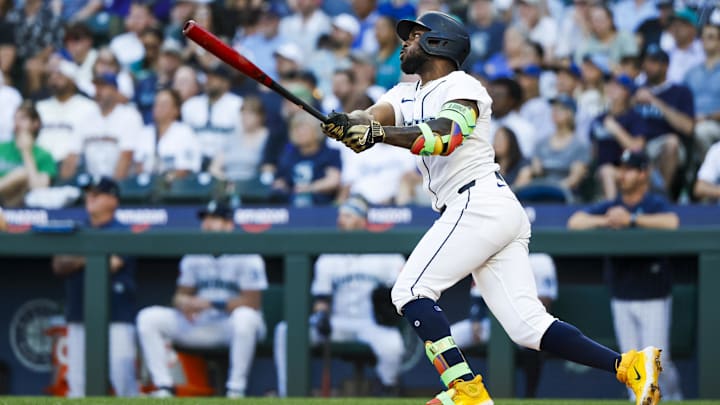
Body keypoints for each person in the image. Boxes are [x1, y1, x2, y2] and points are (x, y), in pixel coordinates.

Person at [320, 11, 662, 405]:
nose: (404, 43)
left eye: (413, 37)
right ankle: (630, 366)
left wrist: (376, 134)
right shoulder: (402, 93)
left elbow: (446, 137)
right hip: (486, 209)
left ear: (439, 42)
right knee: (528, 328)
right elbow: (371, 118)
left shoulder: (465, 87)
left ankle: (465, 390)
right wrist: (349, 124)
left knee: (411, 290)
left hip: (478, 201)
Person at [567, 149, 683, 400]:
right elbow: (575, 221)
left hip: (653, 294)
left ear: (644, 173)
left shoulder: (653, 203)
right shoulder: (612, 206)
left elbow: (672, 222)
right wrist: (607, 220)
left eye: (630, 169)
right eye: (621, 169)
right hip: (621, 294)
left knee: (657, 366)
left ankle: (673, 396)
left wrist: (631, 219)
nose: (623, 174)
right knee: (634, 367)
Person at [273, 195, 406, 397]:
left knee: (393, 346)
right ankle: (288, 394)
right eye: (340, 215)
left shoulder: (386, 253)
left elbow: (401, 291)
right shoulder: (329, 255)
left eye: (348, 216)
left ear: (362, 221)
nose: (341, 220)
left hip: (372, 323)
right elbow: (322, 298)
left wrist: (388, 308)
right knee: (285, 331)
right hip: (339, 322)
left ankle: (387, 391)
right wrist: (321, 316)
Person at [136, 199, 268, 398]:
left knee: (245, 318)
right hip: (202, 323)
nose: (207, 224)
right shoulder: (194, 253)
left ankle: (235, 389)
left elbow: (253, 303)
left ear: (229, 225)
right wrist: (183, 302)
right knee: (149, 317)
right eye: (205, 219)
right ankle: (164, 386)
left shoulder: (248, 254)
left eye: (215, 219)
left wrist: (211, 303)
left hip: (231, 326)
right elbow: (180, 295)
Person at [51, 176, 138, 397]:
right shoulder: (76, 230)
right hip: (80, 314)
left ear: (113, 200)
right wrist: (89, 257)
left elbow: (113, 263)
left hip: (116, 316)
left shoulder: (122, 231)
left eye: (97, 194)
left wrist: (78, 259)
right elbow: (59, 264)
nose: (90, 198)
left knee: (122, 377)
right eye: (88, 193)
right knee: (77, 382)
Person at [450, 253, 557, 398]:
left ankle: (530, 396)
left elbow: (545, 301)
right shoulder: (490, 256)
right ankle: (466, 390)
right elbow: (477, 294)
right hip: (493, 323)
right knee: (450, 339)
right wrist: (476, 319)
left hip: (525, 320)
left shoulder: (540, 261)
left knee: (534, 337)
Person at [0, 101, 56, 207]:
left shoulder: (44, 155)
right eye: (15, 119)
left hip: (21, 205)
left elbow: (39, 189)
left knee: (23, 173)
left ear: (35, 124)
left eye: (23, 119)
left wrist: (26, 152)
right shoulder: (1, 148)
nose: (17, 123)